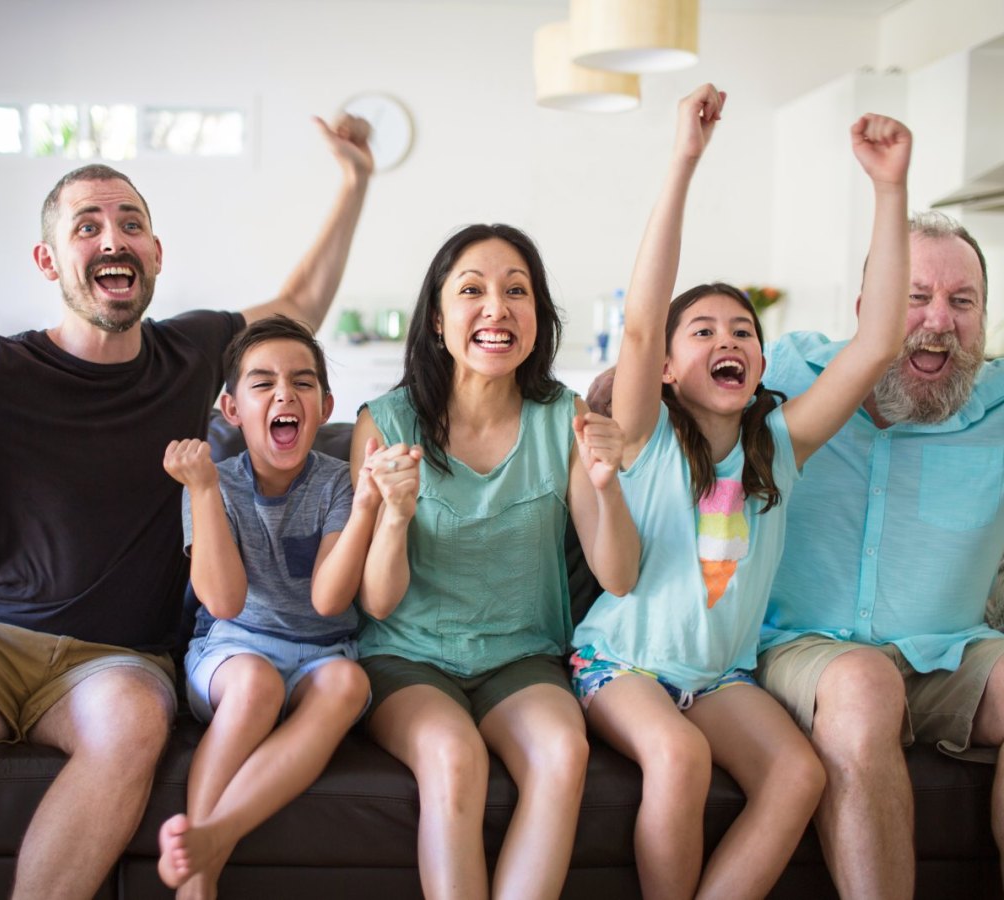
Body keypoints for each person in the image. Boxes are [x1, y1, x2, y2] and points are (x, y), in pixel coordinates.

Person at [0, 115, 372, 900]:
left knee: (135, 730)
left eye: (131, 223)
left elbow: (300, 303)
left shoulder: (191, 350)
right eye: (88, 226)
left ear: (155, 255)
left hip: (118, 660)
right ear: (50, 260)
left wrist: (353, 183)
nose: (114, 237)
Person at [570, 84, 911, 900]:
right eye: (706, 331)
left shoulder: (778, 446)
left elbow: (875, 345)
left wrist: (891, 189)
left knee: (797, 776)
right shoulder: (645, 430)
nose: (729, 340)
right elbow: (645, 320)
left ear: (758, 364)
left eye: (744, 332)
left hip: (720, 676)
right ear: (664, 367)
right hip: (621, 664)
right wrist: (685, 159)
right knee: (679, 758)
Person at [350, 221, 640, 900]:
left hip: (523, 657)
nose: (496, 308)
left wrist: (606, 482)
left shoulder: (563, 418)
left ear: (537, 317)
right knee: (454, 758)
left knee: (563, 754)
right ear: (437, 319)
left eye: (517, 291)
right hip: (408, 657)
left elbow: (619, 575)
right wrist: (394, 516)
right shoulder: (386, 422)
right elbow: (379, 603)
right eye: (472, 290)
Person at [754, 208, 1004, 897]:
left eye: (962, 301)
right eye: (916, 296)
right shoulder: (781, 377)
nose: (939, 320)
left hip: (953, 653)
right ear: (867, 308)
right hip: (807, 650)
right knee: (865, 684)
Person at [156, 315, 384, 899]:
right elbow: (224, 600)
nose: (285, 393)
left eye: (302, 383)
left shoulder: (340, 484)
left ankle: (210, 839)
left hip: (322, 651)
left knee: (349, 685)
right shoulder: (213, 482)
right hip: (234, 649)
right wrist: (204, 490)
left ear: (326, 404)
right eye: (263, 383)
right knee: (255, 686)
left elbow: (329, 599)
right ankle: (197, 885)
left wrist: (367, 504)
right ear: (231, 410)